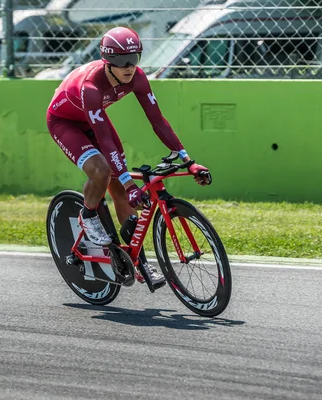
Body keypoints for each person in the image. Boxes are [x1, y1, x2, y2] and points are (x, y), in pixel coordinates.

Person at [46, 27, 211, 286]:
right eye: (121, 61)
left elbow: (158, 121)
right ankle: (88, 215)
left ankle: (138, 263)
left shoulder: (137, 78)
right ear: (107, 62)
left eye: (134, 59)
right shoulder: (91, 87)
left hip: (93, 118)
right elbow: (104, 138)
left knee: (122, 193)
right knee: (102, 170)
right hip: (65, 122)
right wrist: (129, 182)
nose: (128, 67)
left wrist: (188, 160)